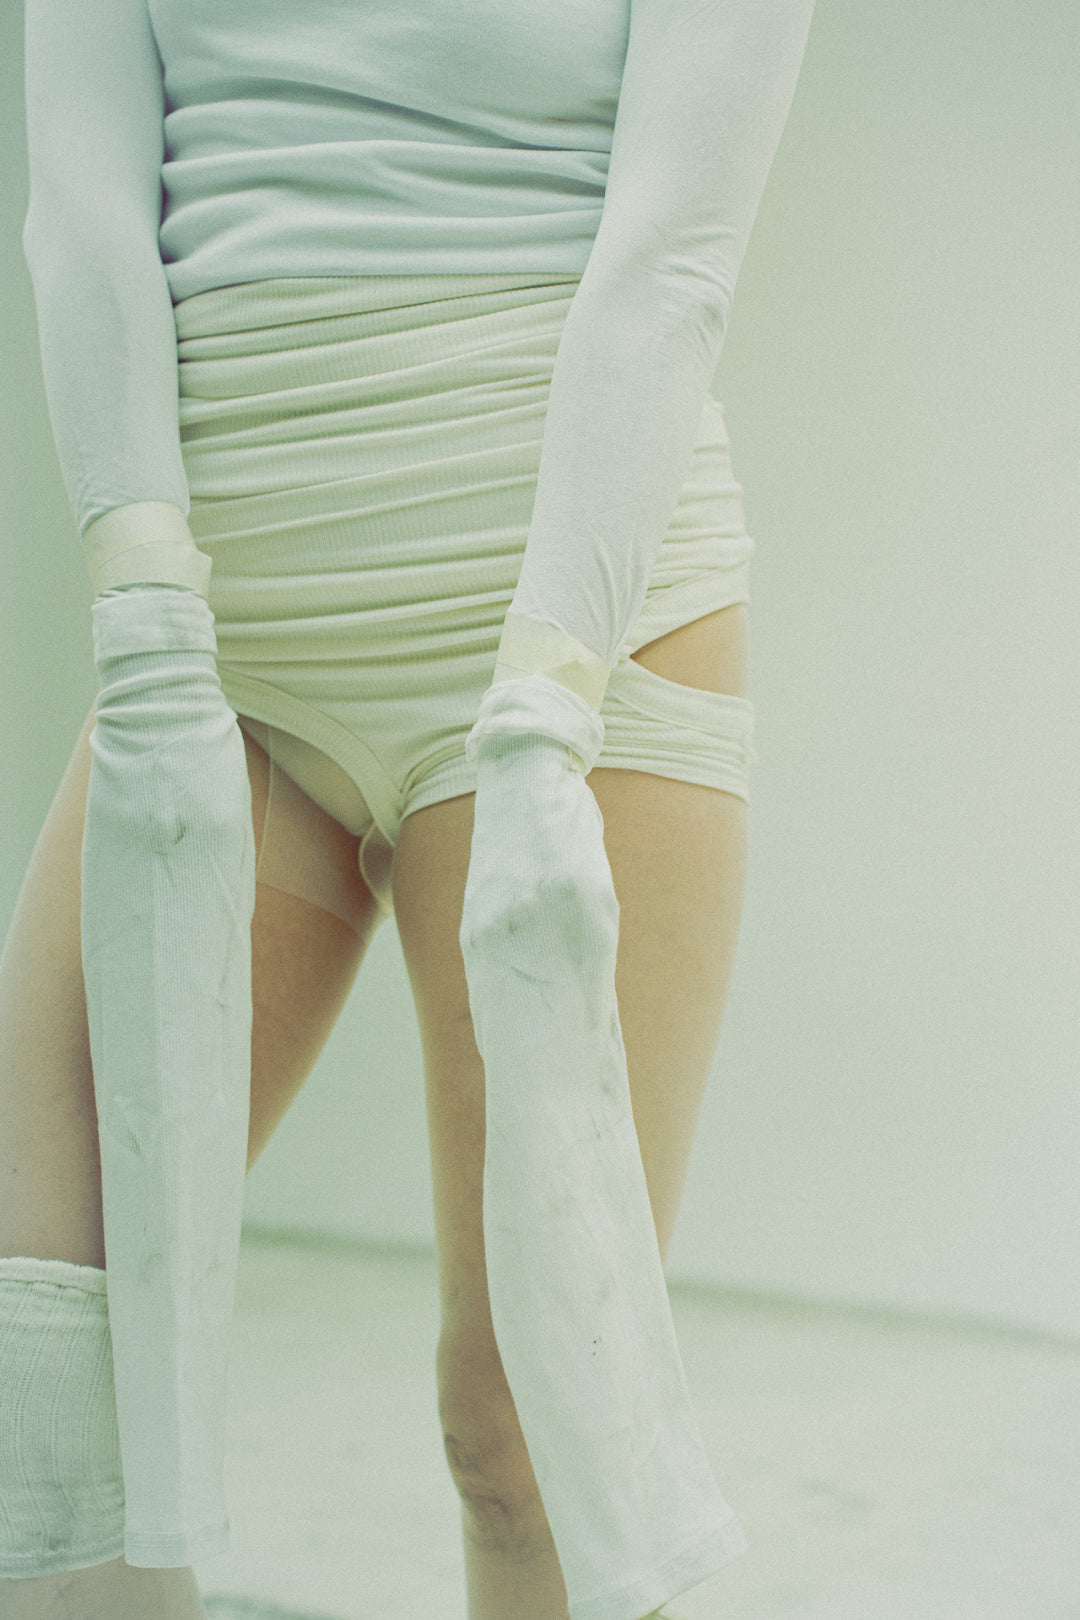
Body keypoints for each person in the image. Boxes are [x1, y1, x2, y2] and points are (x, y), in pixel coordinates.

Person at [0, 1, 817, 1617]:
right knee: (51, 1359)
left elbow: (675, 251)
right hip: (211, 651)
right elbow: (79, 201)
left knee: (526, 1428)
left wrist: (546, 701)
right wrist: (147, 614)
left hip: (568, 640)